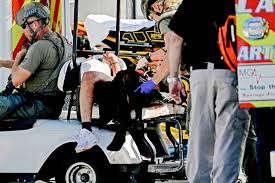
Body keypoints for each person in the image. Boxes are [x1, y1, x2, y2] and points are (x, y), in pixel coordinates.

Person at [167, 0, 251, 183]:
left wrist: (173, 78)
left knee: (199, 136)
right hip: (233, 73)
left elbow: (174, 39)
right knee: (229, 138)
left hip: (199, 75)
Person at [75, 49, 168, 153]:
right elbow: (122, 77)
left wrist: (156, 69)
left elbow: (162, 63)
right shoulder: (147, 61)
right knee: (120, 79)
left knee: (124, 80)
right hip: (127, 83)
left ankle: (123, 129)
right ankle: (91, 130)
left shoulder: (170, 56)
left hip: (144, 87)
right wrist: (114, 61)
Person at [0, 2, 72, 120]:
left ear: (34, 24)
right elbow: (31, 65)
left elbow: (15, 79)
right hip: (53, 107)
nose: (24, 31)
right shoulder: (61, 41)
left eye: (24, 26)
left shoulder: (39, 46)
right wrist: (3, 63)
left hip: (37, 105)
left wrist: (19, 56)